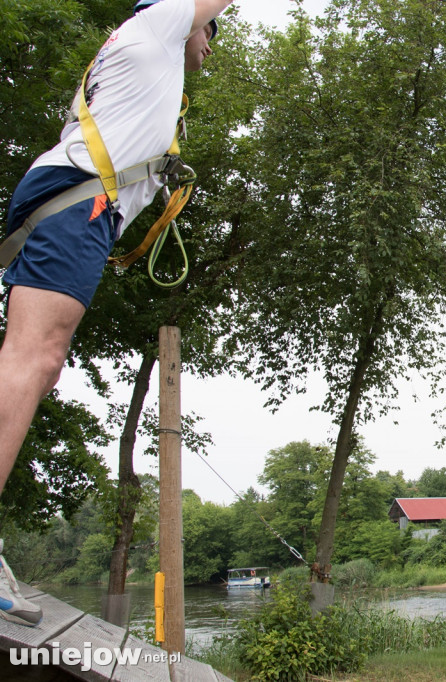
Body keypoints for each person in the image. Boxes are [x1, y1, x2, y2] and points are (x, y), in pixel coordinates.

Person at [0, 0, 233, 626]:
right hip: (78, 204)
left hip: (69, 202)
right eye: (210, 28)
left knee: (33, 364)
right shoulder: (159, 28)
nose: (211, 41)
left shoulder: (138, 54)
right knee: (34, 359)